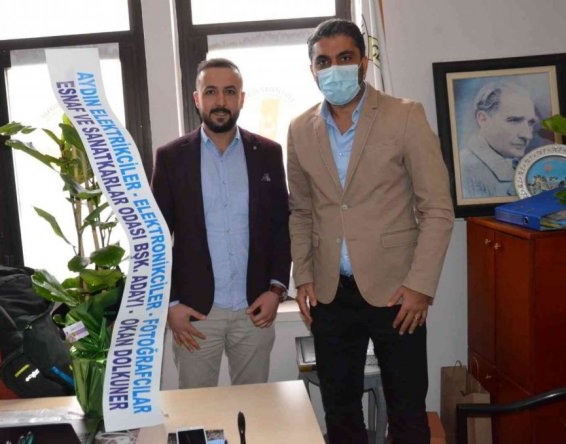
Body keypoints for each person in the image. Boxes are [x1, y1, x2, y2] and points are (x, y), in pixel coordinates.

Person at [288, 19, 454, 444]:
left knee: (407, 411)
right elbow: (301, 211)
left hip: (398, 293)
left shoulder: (405, 115)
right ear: (312, 70)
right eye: (323, 61)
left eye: (344, 58)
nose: (334, 69)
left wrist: (420, 287)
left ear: (363, 63)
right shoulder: (299, 129)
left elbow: (437, 209)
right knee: (340, 412)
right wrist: (303, 275)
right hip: (330, 294)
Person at [151, 58, 291, 389]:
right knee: (196, 411)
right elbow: (156, 238)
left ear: (241, 98)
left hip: (254, 309)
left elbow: (281, 228)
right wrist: (170, 304)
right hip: (196, 314)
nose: (221, 101)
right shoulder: (171, 158)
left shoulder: (268, 153)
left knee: (252, 407)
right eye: (211, 92)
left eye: (229, 91)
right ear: (196, 99)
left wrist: (276, 290)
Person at [459, 81, 538, 198]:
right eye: (514, 120)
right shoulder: (463, 170)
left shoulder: (515, 164)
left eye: (530, 123)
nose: (528, 135)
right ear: (483, 119)